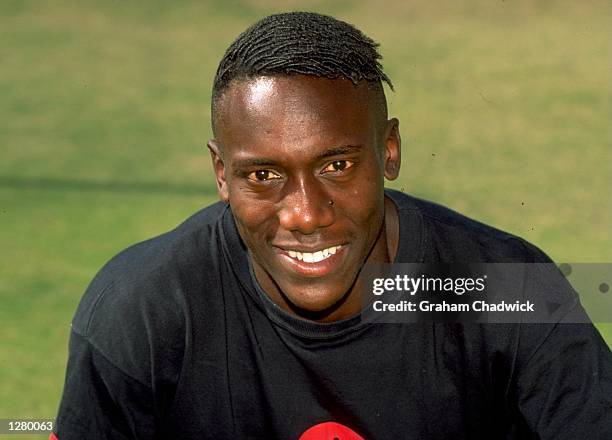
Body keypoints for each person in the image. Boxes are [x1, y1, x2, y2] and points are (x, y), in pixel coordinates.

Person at [52, 12, 611, 439]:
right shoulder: (139, 313)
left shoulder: (510, 293)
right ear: (222, 174)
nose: (306, 213)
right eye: (263, 174)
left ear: (388, 150)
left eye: (336, 166)